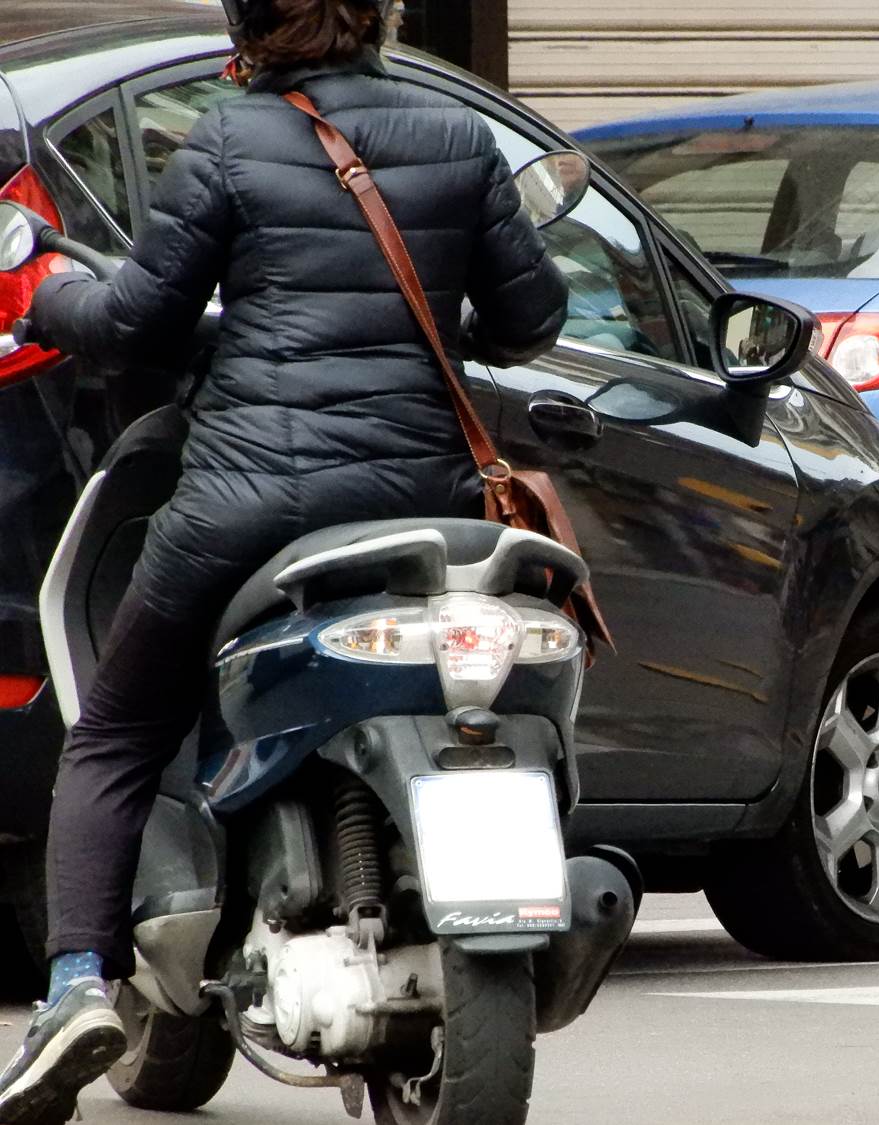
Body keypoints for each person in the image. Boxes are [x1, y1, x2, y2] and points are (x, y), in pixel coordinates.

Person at [0, 0, 567, 1119]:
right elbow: (531, 320)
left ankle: (76, 986)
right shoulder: (457, 136)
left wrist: (40, 293)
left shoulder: (227, 138)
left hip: (248, 501)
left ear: (245, 17)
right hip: (422, 504)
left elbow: (137, 322)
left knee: (114, 729)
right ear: (385, 12)